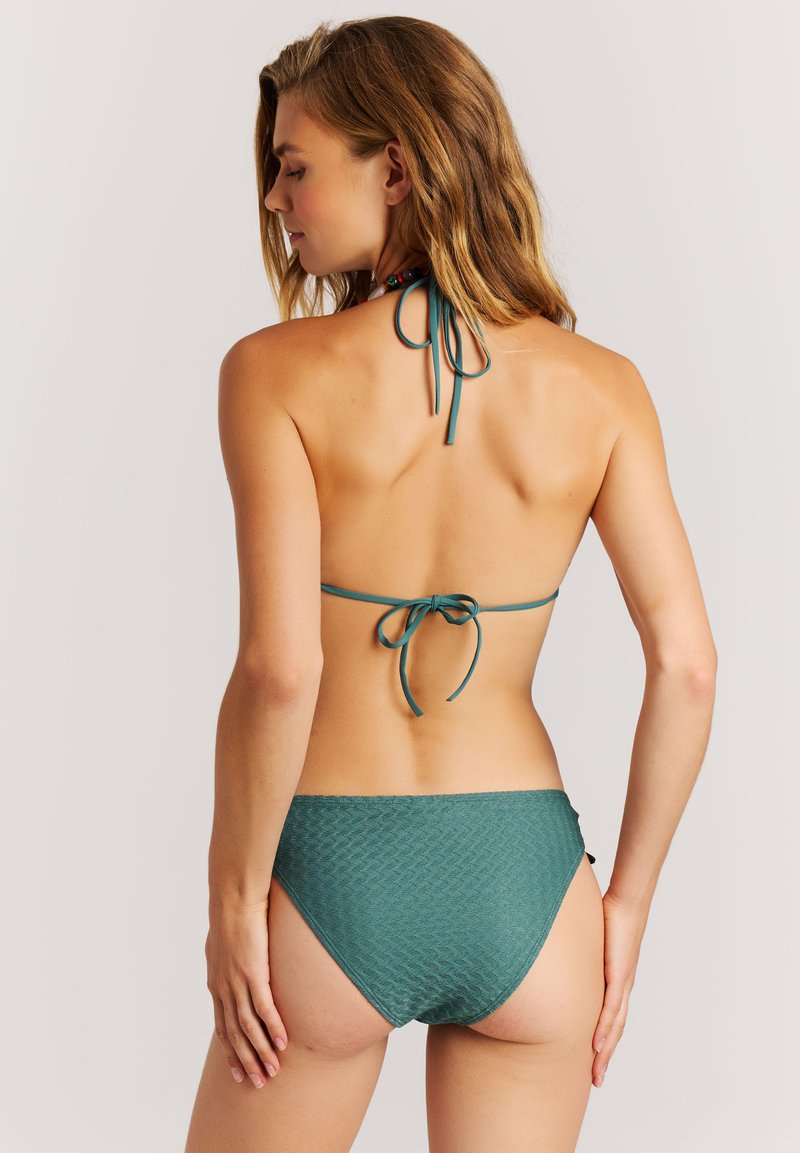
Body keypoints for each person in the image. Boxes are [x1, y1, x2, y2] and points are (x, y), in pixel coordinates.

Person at [184, 15, 717, 1153]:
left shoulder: (272, 373)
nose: (275, 199)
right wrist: (625, 903)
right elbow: (686, 664)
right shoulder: (604, 388)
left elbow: (280, 672)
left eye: (294, 167)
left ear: (397, 167)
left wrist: (233, 901)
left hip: (333, 870)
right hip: (529, 884)